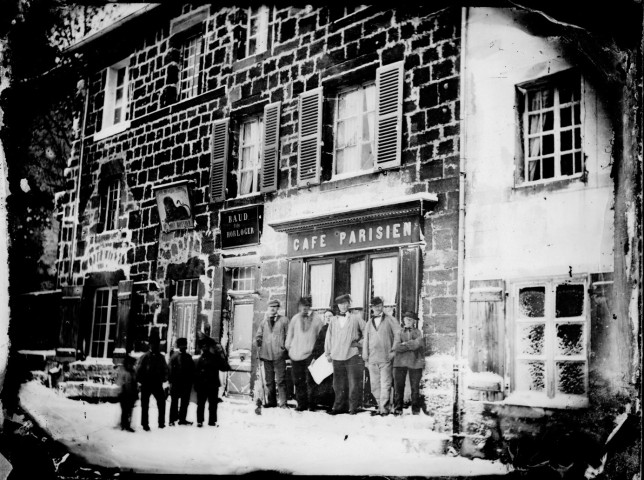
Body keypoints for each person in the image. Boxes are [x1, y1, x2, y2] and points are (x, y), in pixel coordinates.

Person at [324, 294, 366, 415]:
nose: (343, 306)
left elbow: (367, 332)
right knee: (338, 384)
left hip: (351, 355)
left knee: (353, 382)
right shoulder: (333, 320)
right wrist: (328, 353)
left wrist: (359, 343)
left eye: (345, 303)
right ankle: (338, 407)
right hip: (336, 355)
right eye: (340, 304)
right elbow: (329, 337)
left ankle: (352, 408)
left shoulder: (356, 318)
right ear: (338, 305)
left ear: (349, 304)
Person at [363, 296, 400, 416]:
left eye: (379, 306)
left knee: (385, 384)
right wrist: (365, 355)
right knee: (375, 385)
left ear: (382, 306)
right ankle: (380, 406)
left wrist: (393, 351)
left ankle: (384, 409)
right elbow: (366, 340)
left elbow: (397, 335)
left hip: (385, 358)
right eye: (375, 306)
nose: (377, 308)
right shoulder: (369, 322)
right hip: (372, 359)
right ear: (372, 308)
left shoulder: (390, 319)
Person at [286, 296, 323, 411]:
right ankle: (301, 404)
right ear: (299, 307)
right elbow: (289, 335)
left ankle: (312, 404)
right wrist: (289, 348)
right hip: (296, 355)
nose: (305, 308)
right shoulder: (295, 319)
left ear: (310, 307)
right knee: (298, 381)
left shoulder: (317, 319)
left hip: (310, 355)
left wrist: (316, 354)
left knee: (311, 381)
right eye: (303, 306)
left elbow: (320, 338)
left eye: (307, 306)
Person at [255, 299, 289, 408]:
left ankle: (283, 403)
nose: (273, 309)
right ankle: (271, 402)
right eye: (271, 307)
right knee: (269, 381)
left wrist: (285, 349)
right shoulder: (264, 321)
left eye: (275, 307)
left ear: (278, 308)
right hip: (266, 355)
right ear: (268, 308)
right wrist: (257, 340)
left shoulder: (284, 320)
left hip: (279, 355)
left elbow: (289, 336)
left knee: (280, 380)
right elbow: (258, 335)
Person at [392, 311, 425, 415]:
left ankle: (415, 411)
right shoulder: (399, 332)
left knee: (415, 388)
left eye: (411, 319)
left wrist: (405, 344)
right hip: (399, 362)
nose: (408, 321)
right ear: (403, 320)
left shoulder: (418, 332)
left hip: (415, 362)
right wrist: (411, 344)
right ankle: (398, 409)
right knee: (398, 388)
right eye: (406, 319)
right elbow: (396, 347)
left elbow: (418, 344)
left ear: (414, 321)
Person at [136, 331, 169, 431]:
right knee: (145, 404)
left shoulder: (161, 357)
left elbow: (165, 370)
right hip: (146, 383)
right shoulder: (144, 357)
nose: (154, 345)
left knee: (162, 402)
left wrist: (164, 378)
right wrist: (140, 381)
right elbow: (139, 370)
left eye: (156, 343)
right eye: (152, 343)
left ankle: (161, 423)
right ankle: (145, 424)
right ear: (149, 344)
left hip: (157, 384)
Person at [195, 336, 230, 427]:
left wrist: (221, 354)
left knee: (211, 404)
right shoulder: (201, 359)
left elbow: (225, 367)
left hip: (212, 384)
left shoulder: (215, 358)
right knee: (203, 404)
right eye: (203, 346)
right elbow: (196, 373)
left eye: (206, 346)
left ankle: (210, 420)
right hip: (205, 385)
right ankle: (202, 420)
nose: (204, 348)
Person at [168, 337, 195, 426]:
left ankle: (182, 419)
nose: (184, 346)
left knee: (185, 402)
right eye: (182, 345)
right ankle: (172, 420)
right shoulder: (174, 357)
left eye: (185, 345)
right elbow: (170, 370)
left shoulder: (188, 357)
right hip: (176, 383)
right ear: (179, 346)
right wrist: (170, 381)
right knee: (174, 402)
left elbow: (192, 370)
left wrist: (191, 381)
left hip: (186, 383)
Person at [312, 308, 335, 410]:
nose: (328, 318)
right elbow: (319, 343)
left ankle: (331, 404)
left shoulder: (336, 328)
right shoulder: (324, 329)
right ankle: (322, 402)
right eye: (326, 317)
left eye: (330, 316)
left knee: (332, 381)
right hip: (323, 358)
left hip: (333, 357)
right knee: (322, 379)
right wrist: (315, 357)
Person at [116, 354, 138, 432]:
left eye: (133, 364)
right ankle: (124, 425)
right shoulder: (124, 372)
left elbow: (135, 383)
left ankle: (127, 424)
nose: (132, 365)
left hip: (131, 394)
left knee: (130, 410)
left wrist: (136, 393)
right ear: (127, 364)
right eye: (130, 364)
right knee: (125, 410)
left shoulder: (133, 372)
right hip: (124, 394)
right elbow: (121, 383)